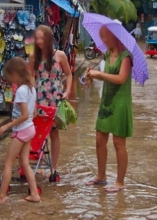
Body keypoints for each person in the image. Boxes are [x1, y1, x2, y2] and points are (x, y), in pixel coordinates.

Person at [0, 57, 41, 204]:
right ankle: (34, 194)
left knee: (8, 163)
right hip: (29, 129)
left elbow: (25, 115)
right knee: (24, 162)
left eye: (9, 76)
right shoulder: (31, 88)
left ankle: (1, 196)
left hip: (22, 130)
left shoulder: (21, 90)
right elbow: (33, 114)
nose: (8, 80)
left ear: (15, 74)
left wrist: (7, 126)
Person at [84, 26, 133, 193]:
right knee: (99, 139)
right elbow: (104, 74)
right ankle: (101, 175)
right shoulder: (107, 54)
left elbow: (120, 78)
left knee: (119, 143)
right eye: (102, 37)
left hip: (120, 104)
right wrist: (90, 77)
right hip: (106, 102)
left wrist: (100, 75)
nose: (103, 41)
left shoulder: (126, 56)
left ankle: (120, 182)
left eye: (106, 37)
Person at [30, 25, 73, 174]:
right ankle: (40, 163)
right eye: (37, 38)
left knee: (54, 133)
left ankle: (53, 167)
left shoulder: (60, 55)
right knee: (37, 132)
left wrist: (67, 91)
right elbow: (31, 77)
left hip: (55, 100)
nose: (39, 41)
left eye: (42, 38)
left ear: (48, 39)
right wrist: (30, 98)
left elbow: (69, 74)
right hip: (38, 99)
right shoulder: (33, 57)